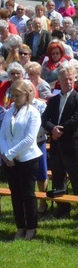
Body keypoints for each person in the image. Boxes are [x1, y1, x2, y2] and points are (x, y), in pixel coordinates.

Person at [40, 63, 78, 219]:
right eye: (65, 79)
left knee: (77, 177)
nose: (68, 82)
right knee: (58, 176)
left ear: (74, 79)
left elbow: (77, 119)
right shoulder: (54, 100)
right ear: (59, 81)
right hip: (56, 144)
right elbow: (45, 118)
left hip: (72, 144)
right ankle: (62, 209)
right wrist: (52, 129)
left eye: (70, 79)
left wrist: (59, 130)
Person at [1, 80, 43, 241]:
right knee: (15, 194)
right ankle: (20, 226)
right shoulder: (10, 111)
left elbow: (29, 139)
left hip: (27, 159)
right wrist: (5, 154)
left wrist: (10, 154)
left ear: (27, 95)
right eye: (13, 95)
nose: (15, 98)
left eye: (18, 95)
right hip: (10, 160)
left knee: (27, 194)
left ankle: (31, 227)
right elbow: (2, 135)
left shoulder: (33, 112)